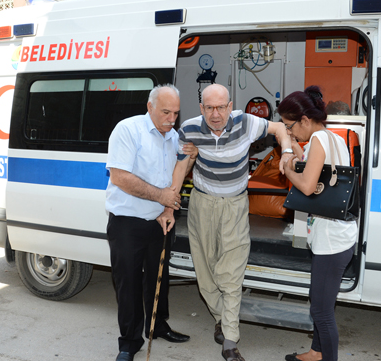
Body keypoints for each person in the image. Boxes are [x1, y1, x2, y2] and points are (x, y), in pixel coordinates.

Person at [170, 84, 293, 361]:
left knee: (231, 273)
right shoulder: (189, 129)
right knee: (205, 272)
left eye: (221, 107)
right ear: (201, 108)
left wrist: (285, 151)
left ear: (230, 106)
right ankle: (220, 317)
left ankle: (230, 339)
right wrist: (170, 202)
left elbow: (280, 129)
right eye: (209, 108)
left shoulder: (246, 122)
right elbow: (181, 165)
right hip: (202, 205)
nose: (216, 114)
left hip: (236, 205)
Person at [105, 84, 195, 361]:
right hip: (127, 221)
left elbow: (177, 173)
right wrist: (162, 196)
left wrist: (189, 157)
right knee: (129, 282)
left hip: (160, 220)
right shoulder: (128, 130)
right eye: (166, 112)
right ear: (150, 107)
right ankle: (129, 342)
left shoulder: (173, 136)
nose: (171, 119)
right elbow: (120, 177)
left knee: (159, 277)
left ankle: (157, 326)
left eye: (176, 113)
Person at [277, 86, 358, 361]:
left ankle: (327, 357)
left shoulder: (320, 140)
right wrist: (293, 153)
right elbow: (312, 163)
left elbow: (309, 187)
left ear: (304, 120)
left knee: (321, 310)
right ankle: (316, 352)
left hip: (332, 240)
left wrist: (287, 169)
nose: (288, 133)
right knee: (321, 300)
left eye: (289, 127)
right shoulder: (332, 138)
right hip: (336, 235)